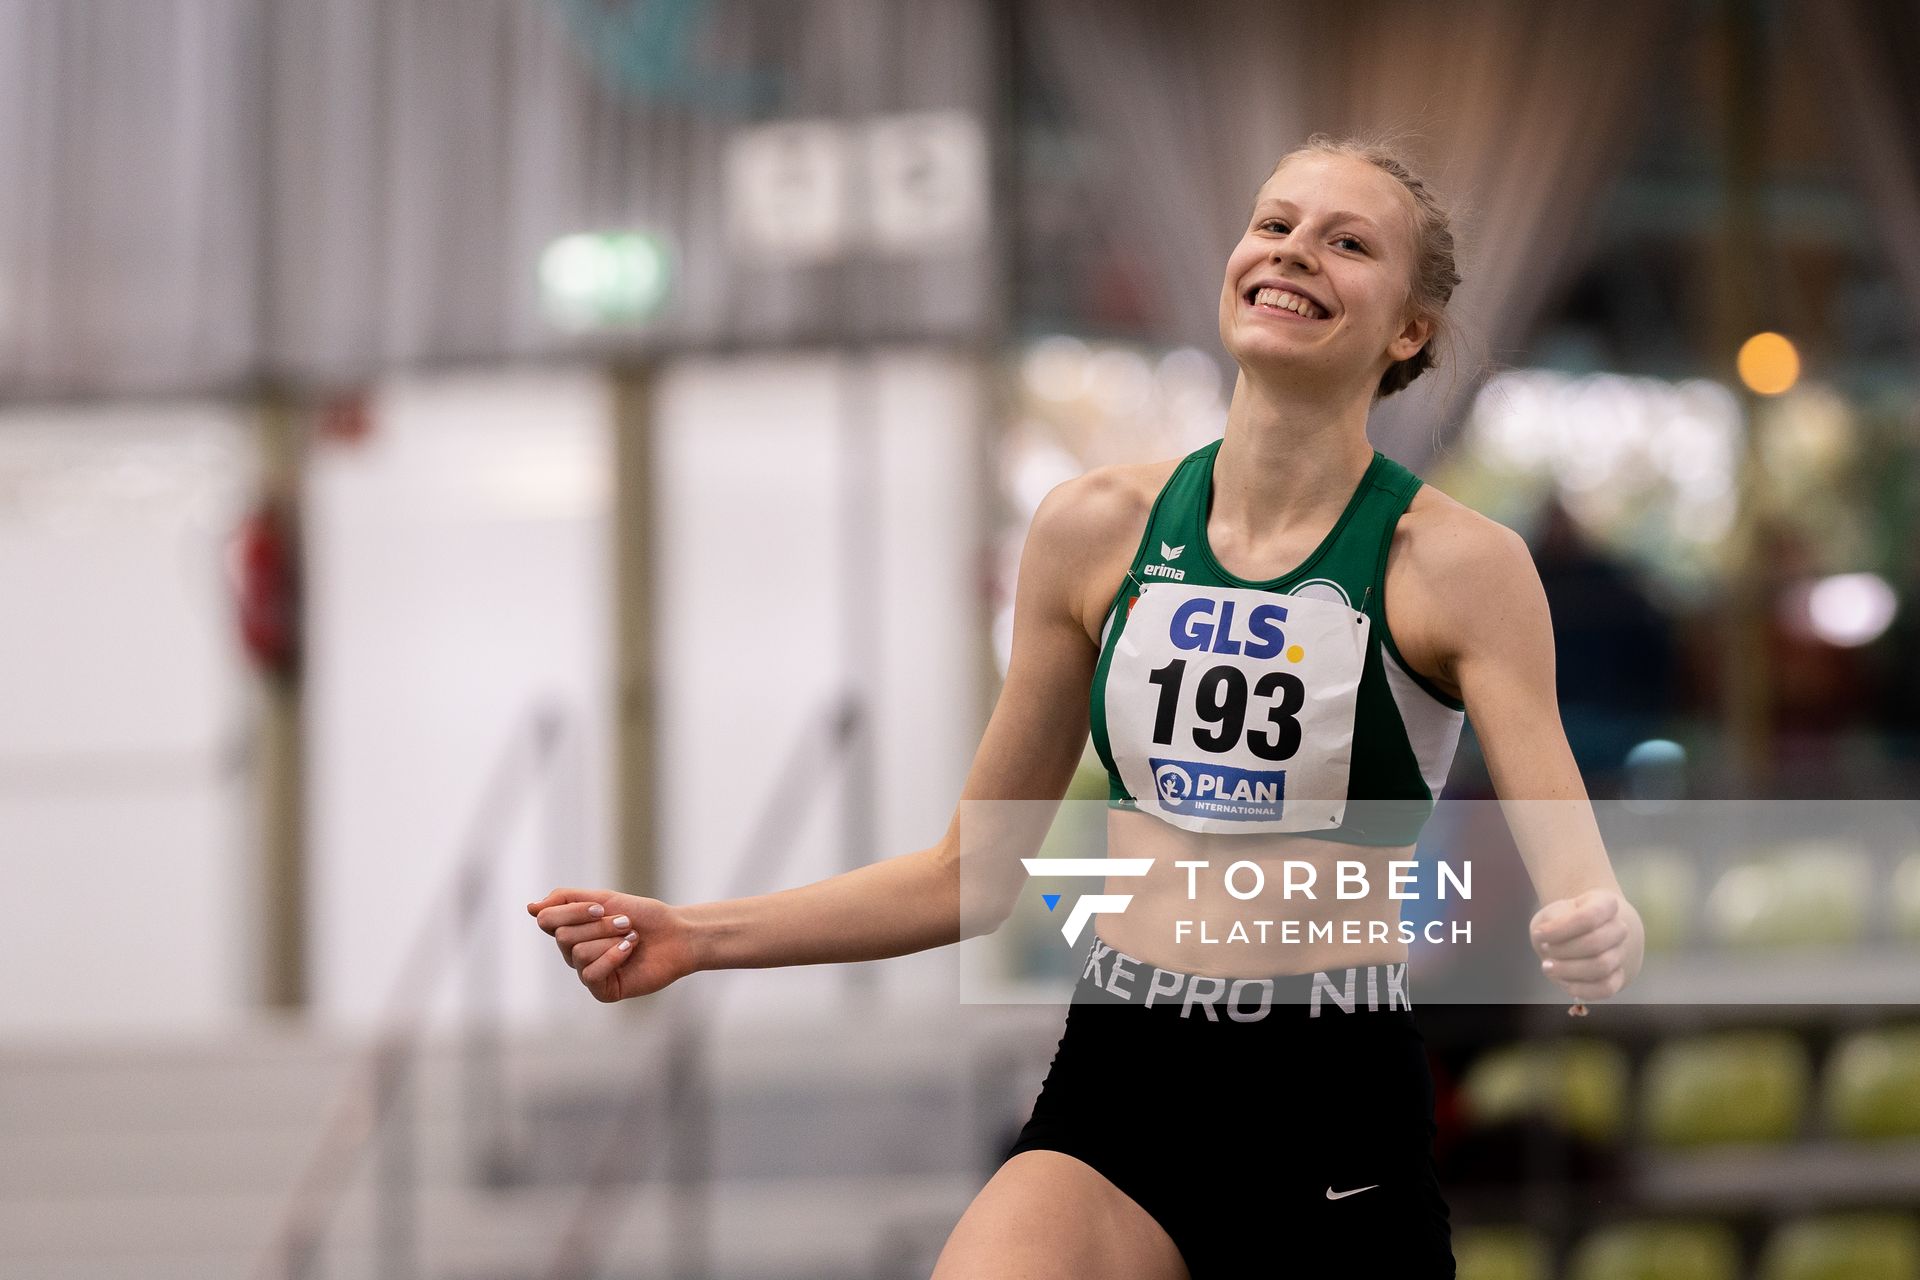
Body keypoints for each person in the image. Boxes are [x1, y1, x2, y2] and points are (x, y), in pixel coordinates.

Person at [528, 132, 1646, 1278]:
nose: (1294, 251)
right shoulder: (1093, 529)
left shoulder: (1457, 564)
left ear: (1409, 329)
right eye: (1274, 223)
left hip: (1327, 1105)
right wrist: (694, 934)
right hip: (1121, 1079)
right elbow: (971, 873)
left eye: (1347, 242)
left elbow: (1577, 871)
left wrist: (1596, 922)